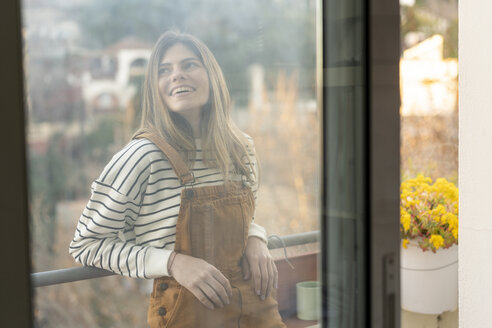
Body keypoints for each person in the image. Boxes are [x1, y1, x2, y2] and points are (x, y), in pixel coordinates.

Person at [70, 30, 286, 327]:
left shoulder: (241, 149)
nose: (177, 75)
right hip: (187, 316)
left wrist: (255, 237)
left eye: (189, 65)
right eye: (164, 70)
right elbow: (86, 244)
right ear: (154, 87)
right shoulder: (141, 157)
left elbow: (243, 220)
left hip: (256, 311)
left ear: (211, 75)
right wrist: (172, 262)